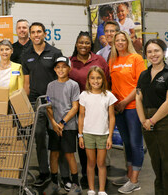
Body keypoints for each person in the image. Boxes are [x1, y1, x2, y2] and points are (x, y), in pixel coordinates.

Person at [21, 22, 71, 192]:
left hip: (56, 102)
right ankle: (44, 172)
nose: (36, 35)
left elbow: (62, 75)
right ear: (30, 35)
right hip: (37, 102)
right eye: (33, 32)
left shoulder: (55, 52)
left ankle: (64, 175)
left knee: (59, 137)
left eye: (39, 32)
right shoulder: (26, 54)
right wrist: (27, 104)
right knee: (40, 137)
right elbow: (26, 82)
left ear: (44, 33)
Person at [135, 39, 168, 195]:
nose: (153, 54)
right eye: (149, 51)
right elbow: (138, 98)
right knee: (157, 164)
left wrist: (152, 120)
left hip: (167, 122)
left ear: (164, 52)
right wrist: (143, 120)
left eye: (156, 50)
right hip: (148, 123)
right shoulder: (143, 75)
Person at [69, 31, 110, 188]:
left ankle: (100, 168)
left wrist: (107, 103)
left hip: (99, 106)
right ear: (76, 44)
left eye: (87, 43)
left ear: (91, 45)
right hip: (80, 107)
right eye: (81, 42)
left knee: (100, 137)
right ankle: (87, 173)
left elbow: (107, 80)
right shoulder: (71, 62)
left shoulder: (99, 60)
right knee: (84, 141)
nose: (83, 45)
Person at [109, 31, 146, 194]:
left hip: (132, 107)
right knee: (126, 143)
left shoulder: (136, 58)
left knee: (136, 143)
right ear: (114, 43)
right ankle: (129, 174)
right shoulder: (112, 60)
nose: (120, 42)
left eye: (123, 40)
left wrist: (124, 102)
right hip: (118, 109)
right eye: (117, 40)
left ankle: (135, 181)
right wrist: (115, 103)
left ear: (128, 41)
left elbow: (140, 84)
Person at [78, 66, 117, 195]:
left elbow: (111, 117)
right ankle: (91, 189)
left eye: (99, 78)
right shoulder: (84, 95)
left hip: (103, 134)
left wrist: (110, 136)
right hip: (88, 134)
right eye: (93, 78)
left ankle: (101, 190)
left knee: (101, 163)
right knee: (91, 163)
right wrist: (80, 135)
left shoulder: (108, 96)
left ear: (103, 79)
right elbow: (81, 116)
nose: (96, 81)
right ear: (88, 80)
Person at [46, 56, 81, 195]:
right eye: (58, 67)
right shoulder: (50, 85)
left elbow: (74, 107)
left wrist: (62, 123)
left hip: (69, 127)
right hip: (53, 127)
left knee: (69, 155)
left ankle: (76, 184)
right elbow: (48, 106)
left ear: (69, 68)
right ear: (55, 69)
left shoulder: (73, 85)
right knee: (53, 154)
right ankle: (54, 183)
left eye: (64, 66)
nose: (61, 69)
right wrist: (54, 123)